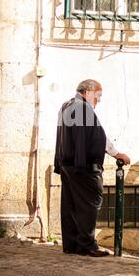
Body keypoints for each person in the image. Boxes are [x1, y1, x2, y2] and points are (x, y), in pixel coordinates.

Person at [54, 79, 130, 257]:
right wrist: (116, 153)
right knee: (89, 204)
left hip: (68, 165)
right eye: (98, 95)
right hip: (83, 167)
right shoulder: (82, 108)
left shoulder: (67, 106)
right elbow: (98, 136)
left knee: (72, 205)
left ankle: (72, 245)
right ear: (87, 92)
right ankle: (87, 245)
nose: (99, 100)